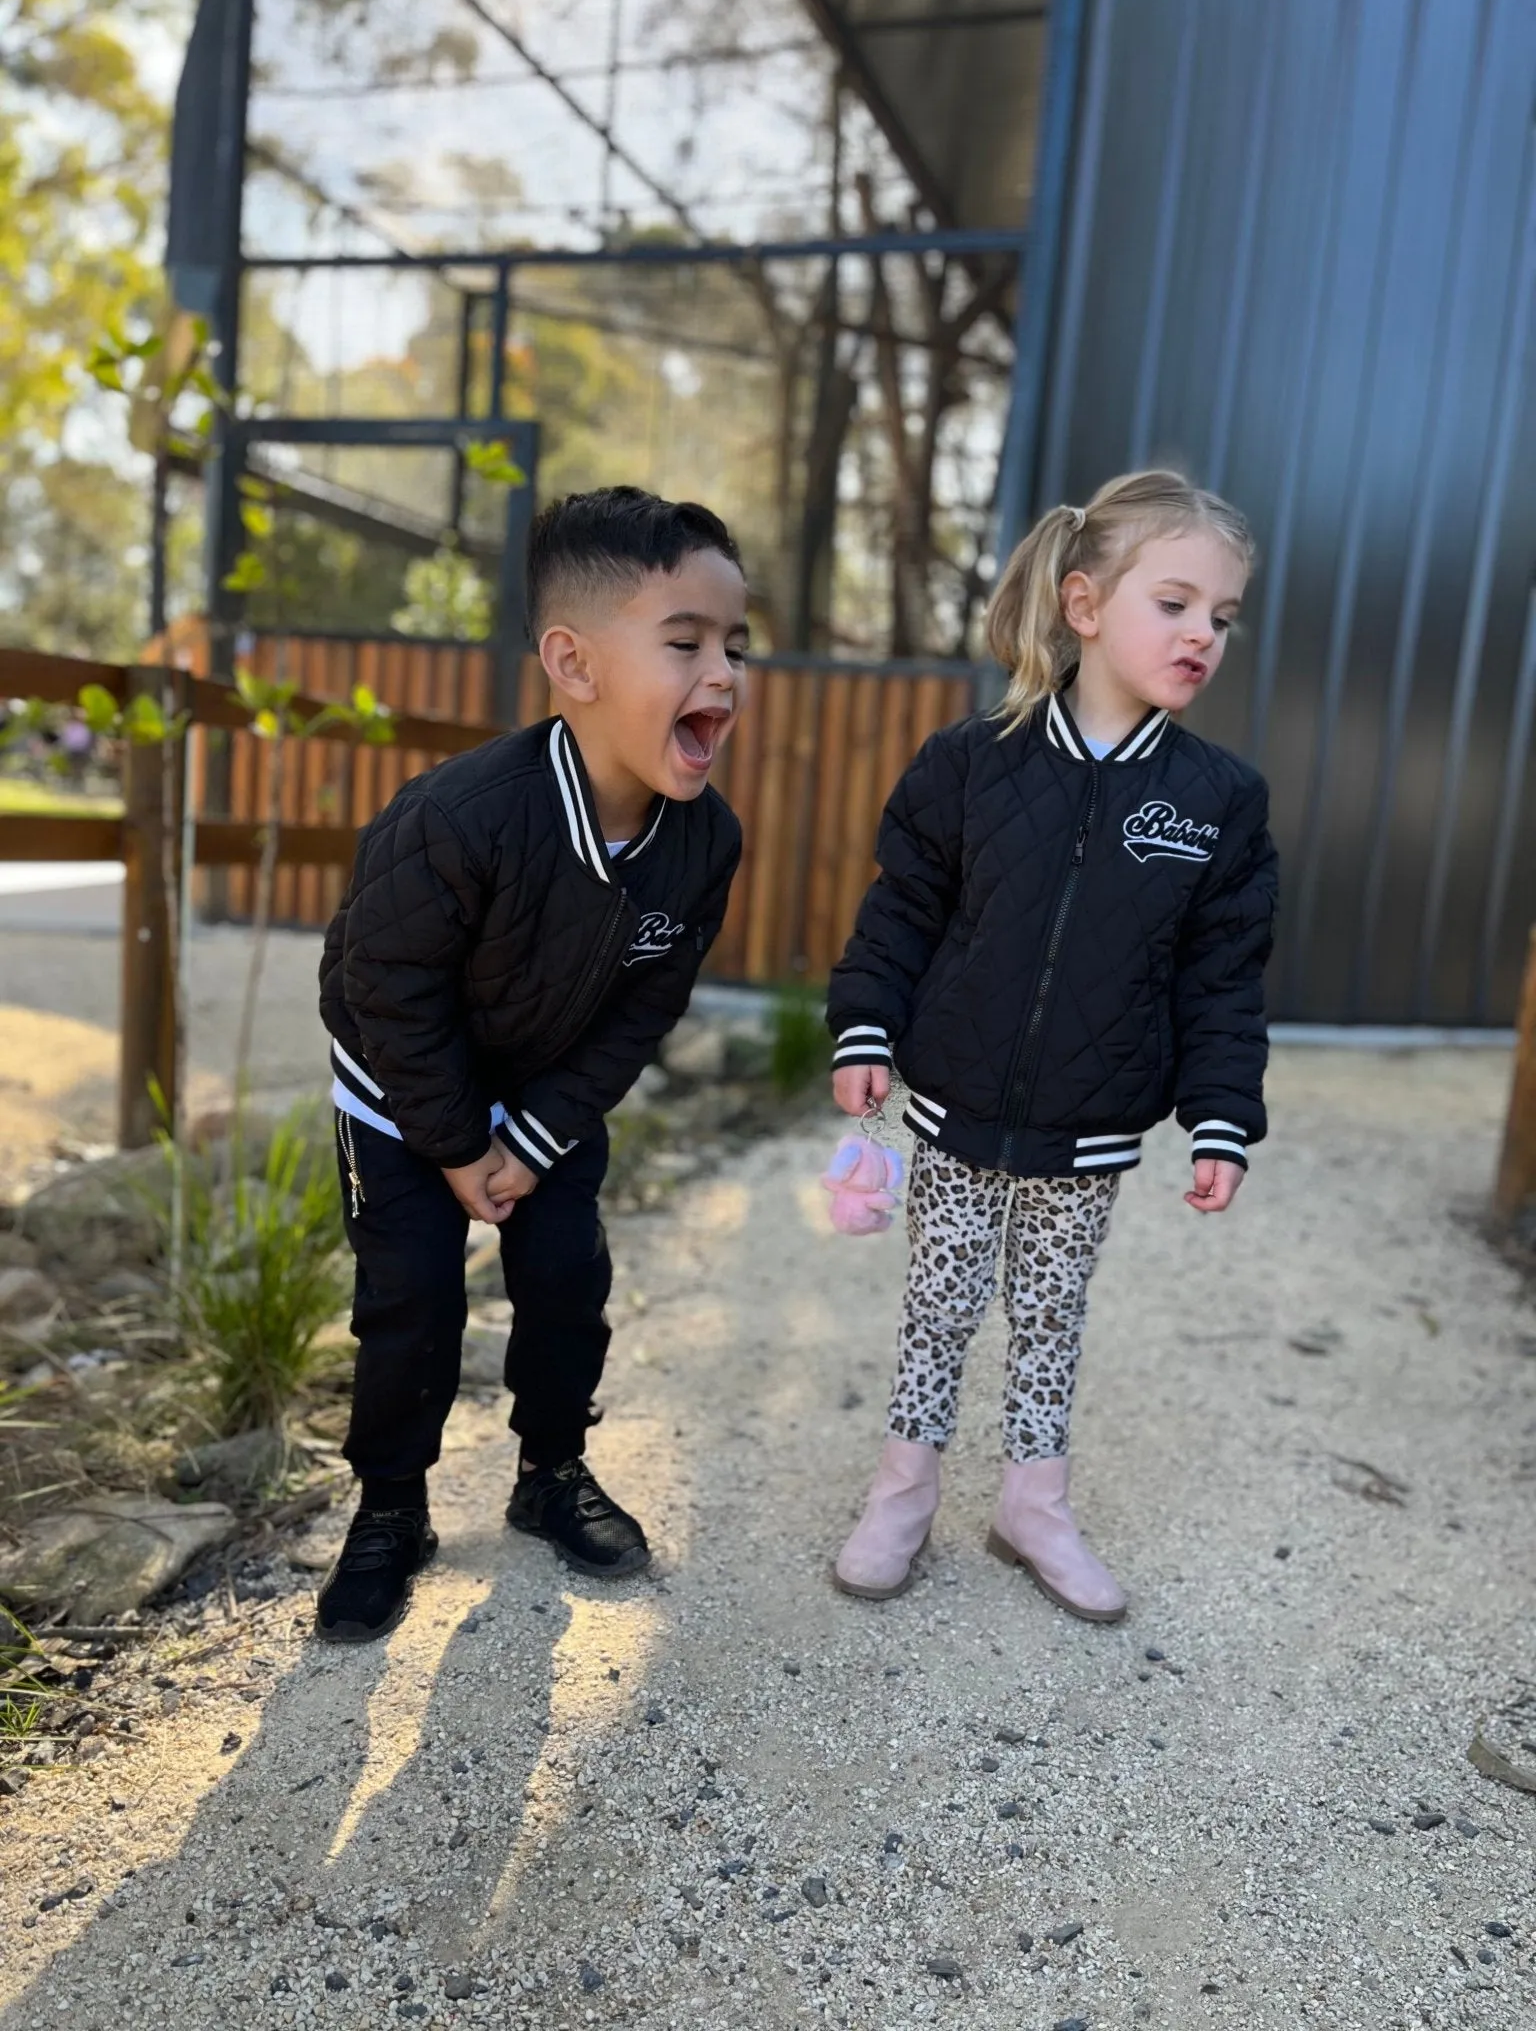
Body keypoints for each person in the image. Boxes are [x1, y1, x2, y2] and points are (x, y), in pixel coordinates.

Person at [826, 469, 1277, 1621]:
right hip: (957, 1101)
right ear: (1083, 605)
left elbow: (1222, 976)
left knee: (1050, 1314)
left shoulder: (1218, 801)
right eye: (1173, 603)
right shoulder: (971, 764)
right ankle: (904, 1488)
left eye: (1221, 617)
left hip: (1093, 1120)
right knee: (938, 1302)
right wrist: (865, 1023)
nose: (1201, 636)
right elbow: (902, 912)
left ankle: (1035, 1500)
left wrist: (1220, 1111)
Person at [314, 487, 746, 1642]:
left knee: (565, 1280)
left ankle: (550, 1469)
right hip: (404, 1088)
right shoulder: (461, 816)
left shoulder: (705, 840)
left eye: (734, 646)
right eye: (686, 642)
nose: (725, 674)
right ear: (574, 661)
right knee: (411, 1300)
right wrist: (455, 1142)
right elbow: (384, 987)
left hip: (542, 1096)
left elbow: (641, 1008)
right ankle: (391, 1505)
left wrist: (533, 1134)